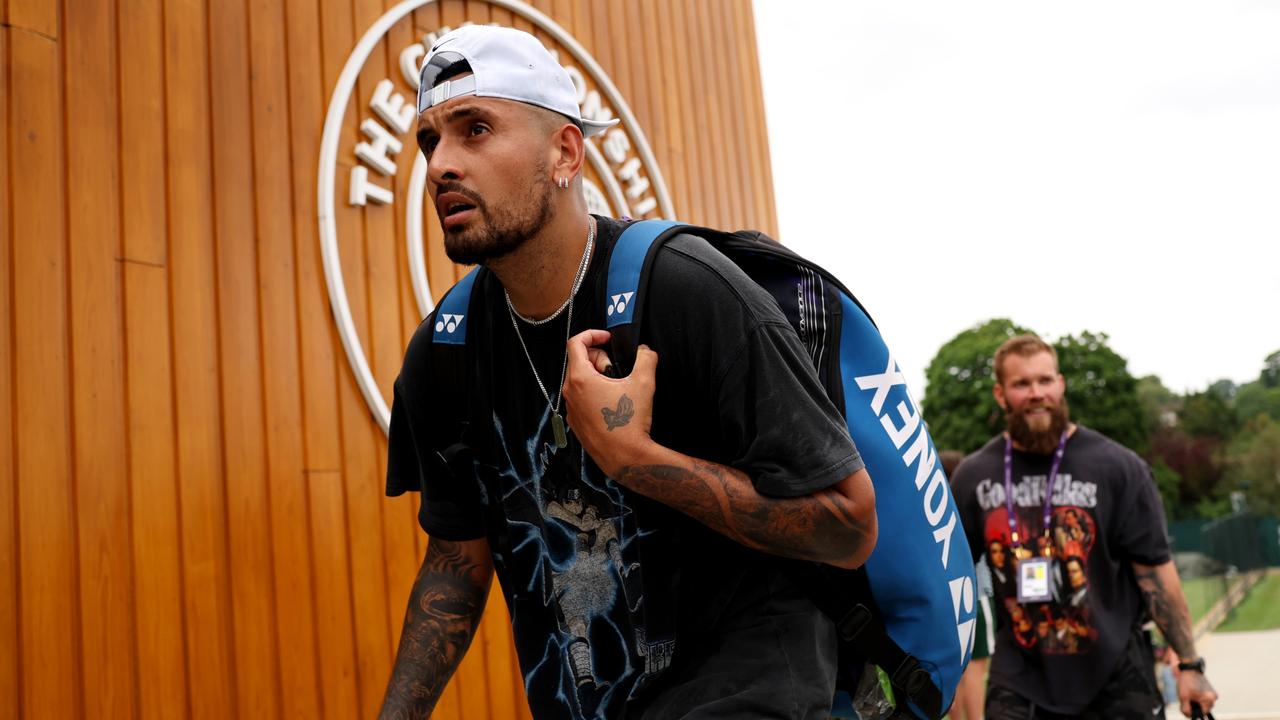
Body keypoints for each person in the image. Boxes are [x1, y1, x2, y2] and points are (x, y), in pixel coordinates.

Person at [379, 25, 878, 720]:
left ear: (564, 152)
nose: (440, 165)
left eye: (476, 129)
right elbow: (457, 562)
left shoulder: (688, 290)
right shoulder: (444, 351)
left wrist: (634, 461)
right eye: (430, 140)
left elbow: (849, 527)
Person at [950, 334, 1217, 719]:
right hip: (1021, 679)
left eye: (1044, 380)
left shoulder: (1118, 468)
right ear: (1000, 394)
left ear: (1060, 384)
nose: (1036, 393)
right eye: (1021, 384)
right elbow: (950, 578)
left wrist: (1190, 665)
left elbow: (1155, 573)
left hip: (1117, 675)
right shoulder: (975, 476)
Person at [944, 450, 993, 720]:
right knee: (976, 667)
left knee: (960, 669)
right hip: (977, 594)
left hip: (950, 597)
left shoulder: (939, 510)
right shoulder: (967, 505)